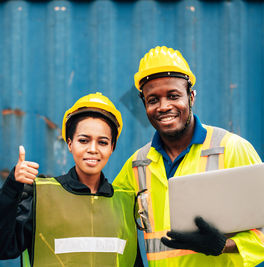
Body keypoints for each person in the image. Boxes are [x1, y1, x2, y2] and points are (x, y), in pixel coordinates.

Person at [113, 46, 264, 266]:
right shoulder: (137, 164)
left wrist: (224, 246)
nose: (164, 107)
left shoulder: (231, 149)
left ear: (191, 96)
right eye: (153, 100)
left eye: (173, 96)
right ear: (144, 104)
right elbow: (104, 210)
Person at [0, 92, 140, 266]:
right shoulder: (40, 197)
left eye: (103, 142)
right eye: (83, 140)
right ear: (70, 143)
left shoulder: (125, 203)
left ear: (112, 147)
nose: (93, 149)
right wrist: (11, 188)